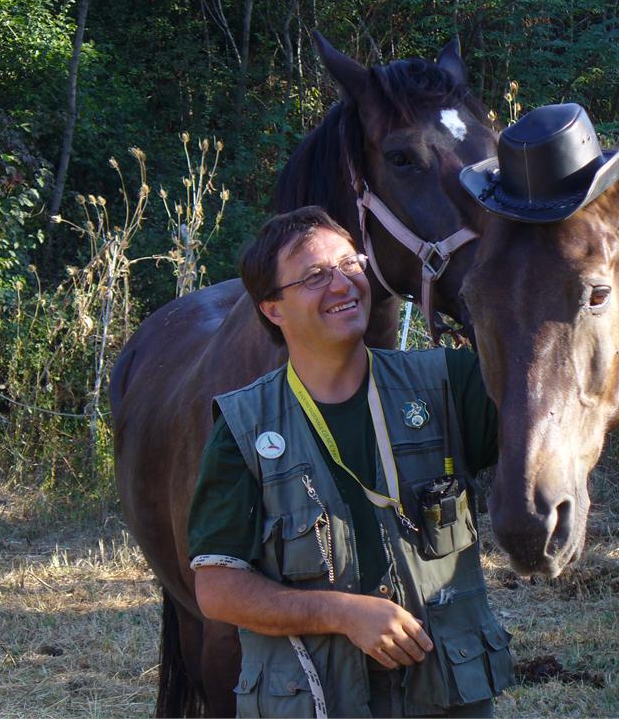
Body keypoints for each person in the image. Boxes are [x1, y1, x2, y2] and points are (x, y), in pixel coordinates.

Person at [188, 205, 513, 718]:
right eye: (315, 276)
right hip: (319, 701)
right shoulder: (244, 426)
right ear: (273, 309)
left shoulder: (449, 383)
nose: (343, 284)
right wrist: (342, 613)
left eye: (349, 264)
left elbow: (545, 401)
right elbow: (218, 590)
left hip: (446, 694)